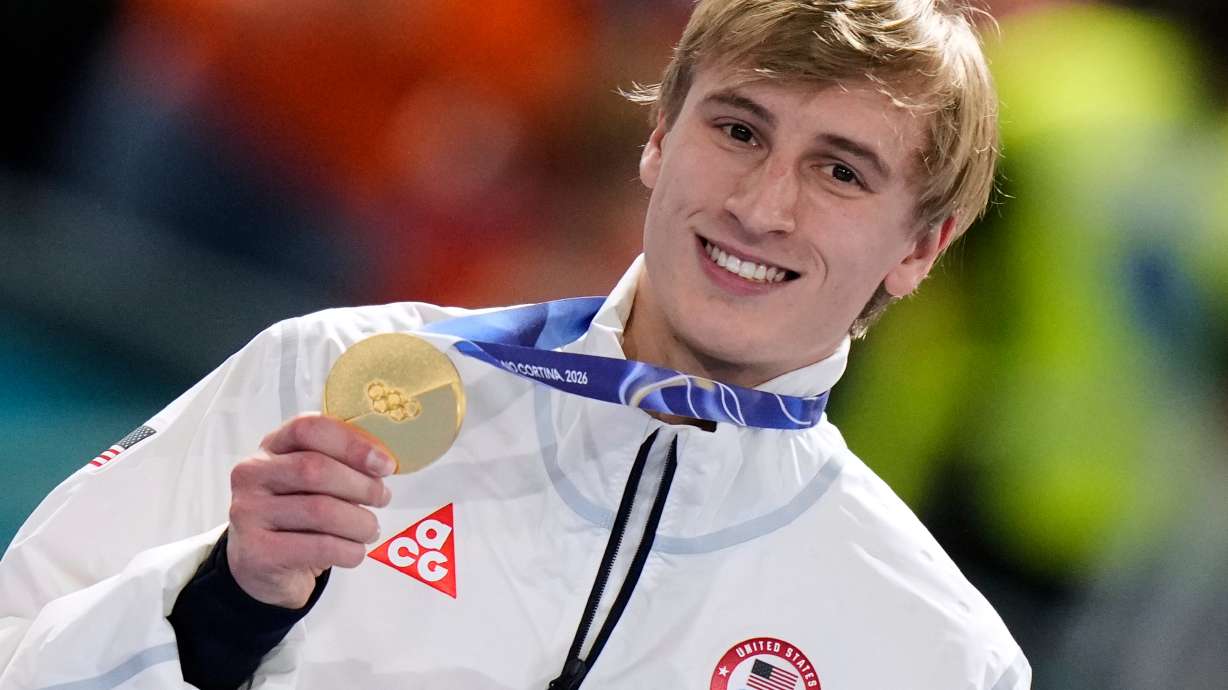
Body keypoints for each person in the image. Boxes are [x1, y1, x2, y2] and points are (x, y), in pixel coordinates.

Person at [0, 1, 1029, 688]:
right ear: (660, 139)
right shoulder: (326, 379)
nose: (762, 206)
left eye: (840, 171)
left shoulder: (936, 651)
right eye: (739, 131)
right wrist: (224, 601)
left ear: (921, 245)